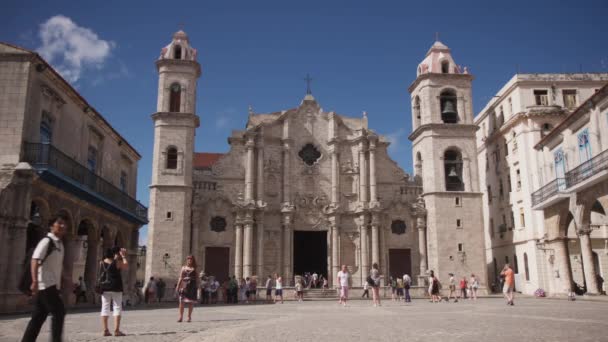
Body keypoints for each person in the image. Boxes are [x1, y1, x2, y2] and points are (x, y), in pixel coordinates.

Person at [21, 214, 67, 342]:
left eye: (64, 223)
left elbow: (58, 265)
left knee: (38, 317)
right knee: (59, 312)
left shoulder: (60, 244)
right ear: (51, 226)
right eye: (59, 223)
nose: (63, 225)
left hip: (51, 284)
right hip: (45, 284)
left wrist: (66, 278)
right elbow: (35, 260)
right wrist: (35, 281)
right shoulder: (47, 241)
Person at [99, 246, 129, 336]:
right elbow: (126, 266)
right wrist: (123, 256)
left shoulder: (101, 263)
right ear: (114, 254)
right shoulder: (117, 263)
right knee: (117, 307)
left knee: (105, 307)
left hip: (104, 287)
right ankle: (116, 330)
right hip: (116, 287)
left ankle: (105, 330)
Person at [176, 255, 198, 322]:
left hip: (192, 286)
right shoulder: (183, 268)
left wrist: (198, 287)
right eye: (188, 259)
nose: (189, 260)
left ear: (193, 260)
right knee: (181, 302)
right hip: (184, 286)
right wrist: (178, 286)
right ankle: (180, 317)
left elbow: (197, 278)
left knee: (191, 302)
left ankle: (189, 317)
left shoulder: (195, 268)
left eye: (191, 259)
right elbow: (180, 277)